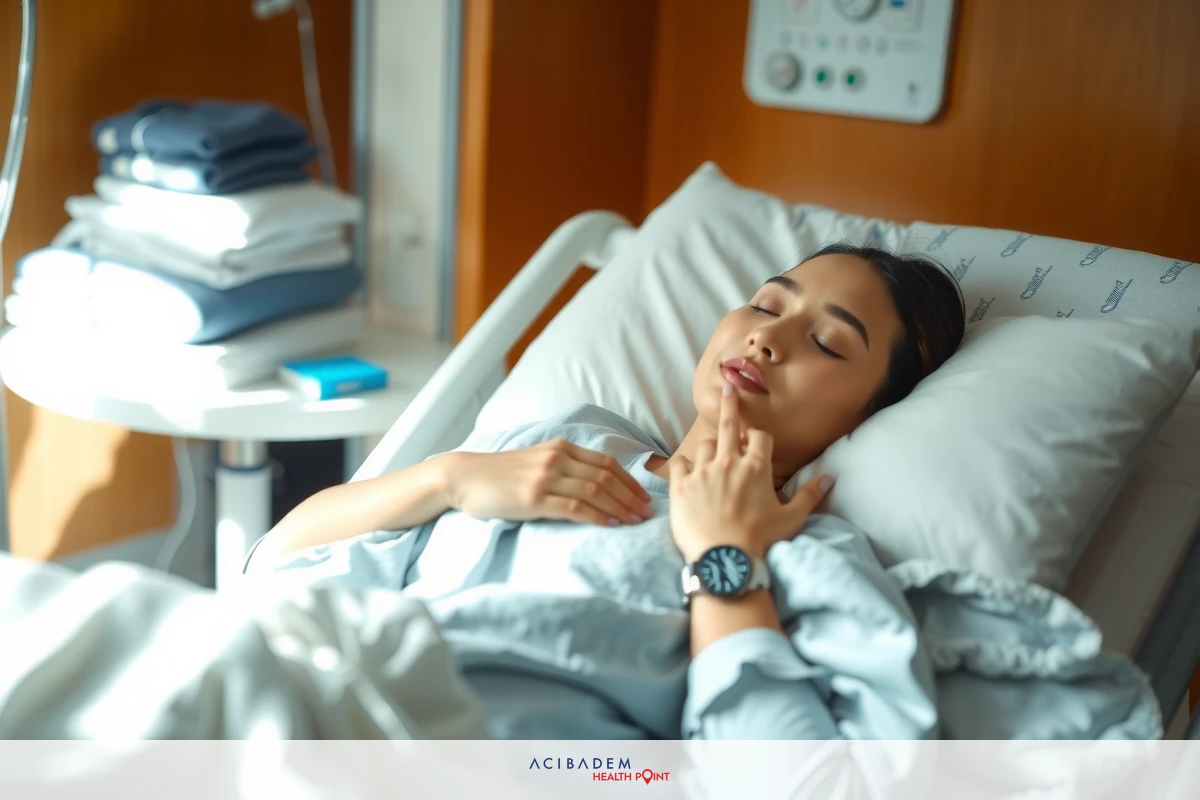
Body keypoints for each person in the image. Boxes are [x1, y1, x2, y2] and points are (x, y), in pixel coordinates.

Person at [245, 243, 966, 740]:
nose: (767, 339)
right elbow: (272, 565)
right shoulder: (568, 437)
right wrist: (452, 478)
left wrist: (724, 560)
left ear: (870, 418)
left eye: (830, 344)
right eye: (766, 305)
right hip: (313, 696)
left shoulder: (809, 555)